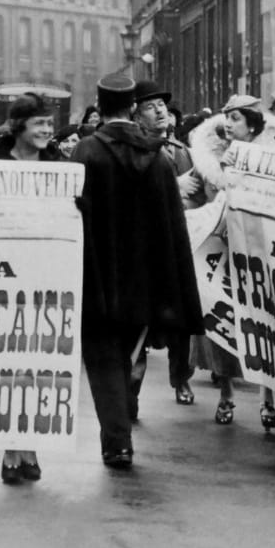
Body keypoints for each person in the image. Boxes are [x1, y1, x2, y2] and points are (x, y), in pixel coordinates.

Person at [72, 74, 203, 469]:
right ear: (132, 107)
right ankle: (123, 414)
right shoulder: (158, 157)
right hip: (146, 280)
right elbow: (172, 226)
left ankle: (117, 441)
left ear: (99, 105)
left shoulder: (85, 152)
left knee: (102, 357)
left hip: (96, 275)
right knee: (130, 350)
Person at [0, 93, 62, 484]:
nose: (46, 131)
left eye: (49, 124)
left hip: (45, 280)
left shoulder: (60, 166)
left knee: (38, 368)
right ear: (19, 126)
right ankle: (10, 448)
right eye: (39, 124)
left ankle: (30, 445)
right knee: (4, 367)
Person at [186, 94, 275, 427]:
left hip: (259, 253)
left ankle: (267, 399)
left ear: (253, 125)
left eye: (237, 118)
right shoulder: (207, 161)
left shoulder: (273, 159)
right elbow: (189, 195)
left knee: (262, 325)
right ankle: (226, 394)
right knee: (221, 323)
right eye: (226, 117)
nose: (228, 124)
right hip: (220, 252)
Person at [132, 80, 204, 407]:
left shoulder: (180, 150)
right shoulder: (131, 151)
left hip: (176, 246)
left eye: (162, 104)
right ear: (135, 115)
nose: (160, 110)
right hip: (143, 252)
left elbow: (196, 199)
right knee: (138, 326)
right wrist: (176, 188)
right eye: (150, 106)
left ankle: (181, 380)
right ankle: (131, 388)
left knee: (180, 323)